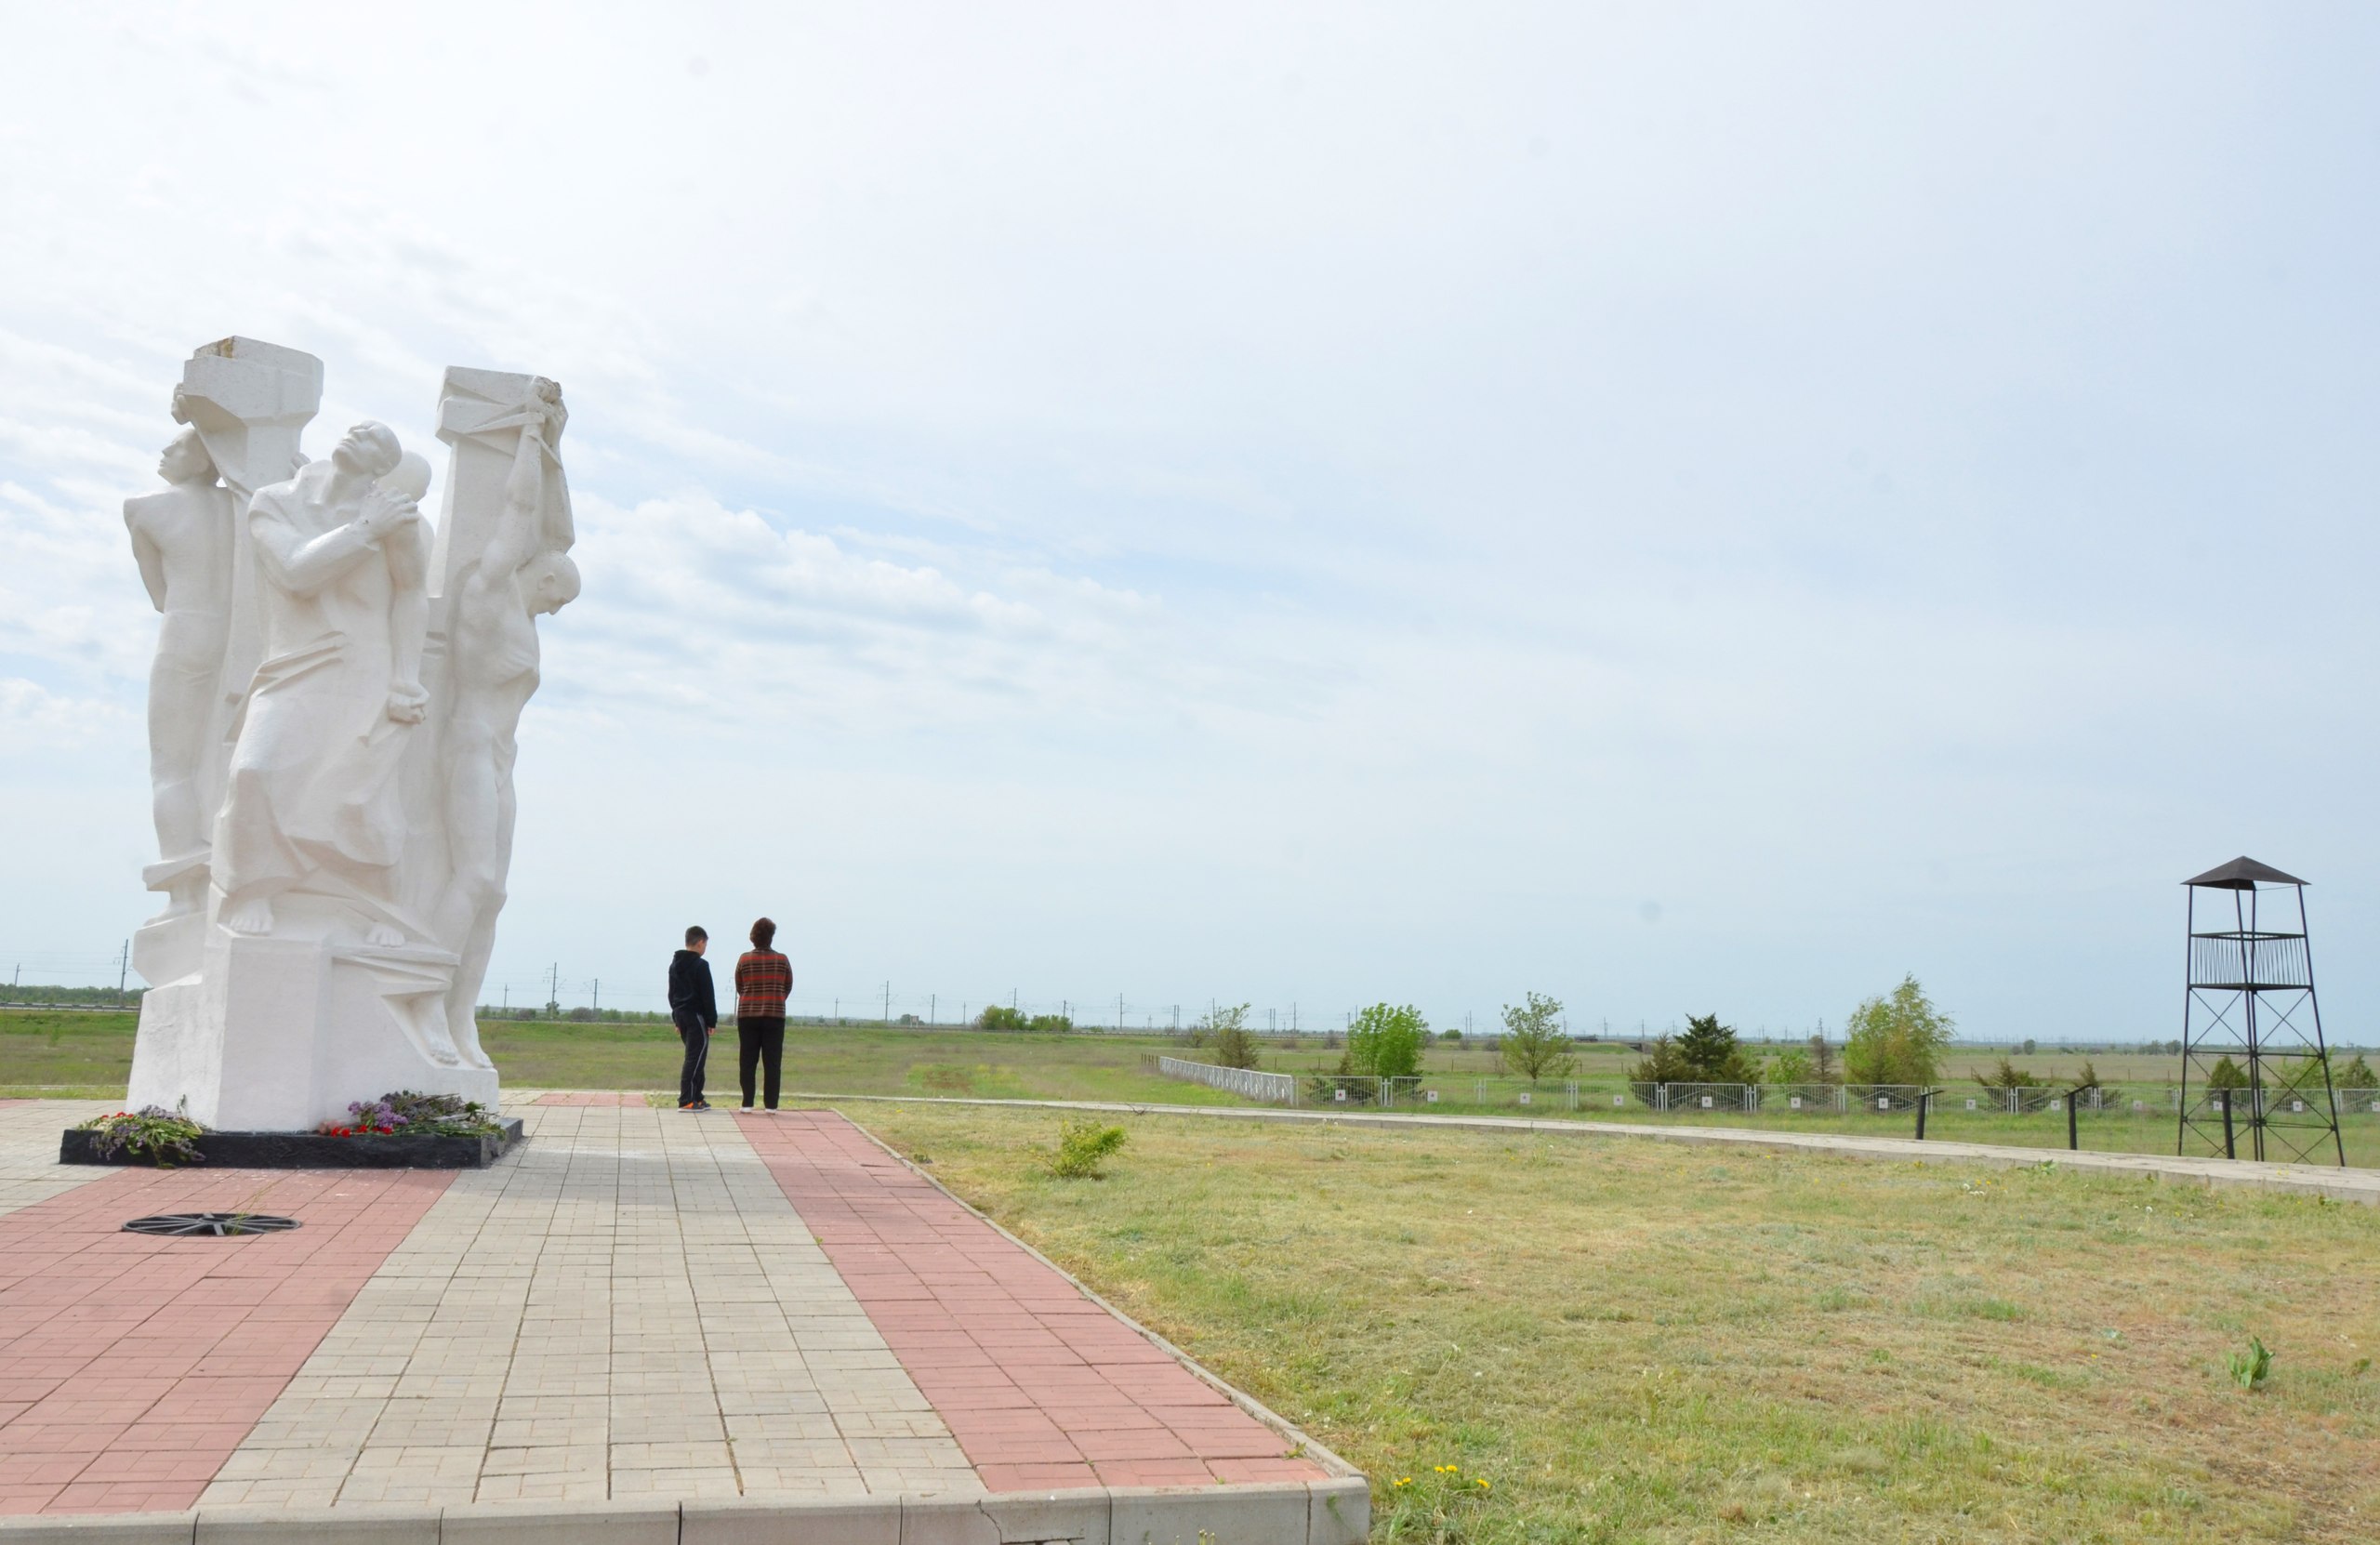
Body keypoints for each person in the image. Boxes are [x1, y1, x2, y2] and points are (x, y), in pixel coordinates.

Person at [734, 918, 792, 1112]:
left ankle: (747, 1103)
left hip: (747, 1015)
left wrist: (751, 997)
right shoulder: (782, 960)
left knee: (748, 1060)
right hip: (774, 1016)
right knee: (773, 1062)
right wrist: (776, 998)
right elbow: (787, 986)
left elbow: (739, 986)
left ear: (753, 937)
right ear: (771, 937)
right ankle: (771, 1105)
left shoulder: (744, 959)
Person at [668, 925, 717, 1110]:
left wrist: (676, 1018)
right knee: (694, 1058)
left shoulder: (674, 964)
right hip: (696, 1016)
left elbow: (671, 994)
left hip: (681, 1014)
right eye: (705, 944)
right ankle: (686, 1099)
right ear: (701, 942)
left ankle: (697, 1096)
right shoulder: (701, 965)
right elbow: (707, 995)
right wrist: (711, 1020)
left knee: (697, 1057)